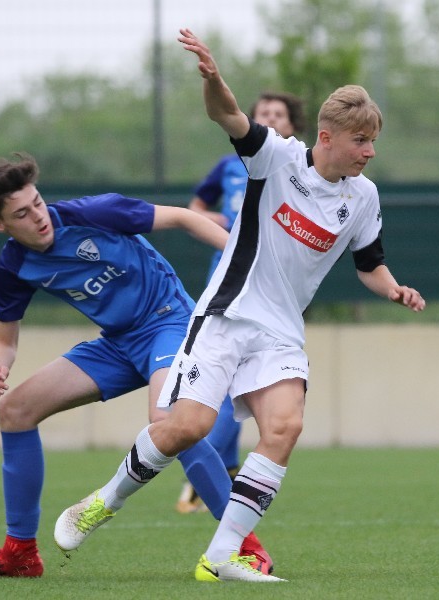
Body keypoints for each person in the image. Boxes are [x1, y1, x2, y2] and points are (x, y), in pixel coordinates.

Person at [53, 28, 426, 583]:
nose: (370, 151)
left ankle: (222, 555)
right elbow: (228, 116)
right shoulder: (275, 159)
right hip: (226, 318)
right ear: (326, 137)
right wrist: (213, 79)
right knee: (187, 427)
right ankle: (102, 502)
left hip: (279, 334)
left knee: (285, 427)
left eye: (373, 140)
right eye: (361, 141)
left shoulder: (363, 196)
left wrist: (394, 287)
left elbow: (369, 265)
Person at [0, 152, 273, 579]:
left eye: (38, 203)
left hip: (169, 321)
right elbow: (4, 338)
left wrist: (243, 255)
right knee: (14, 411)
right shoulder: (14, 265)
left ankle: (244, 546)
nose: (38, 217)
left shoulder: (94, 212)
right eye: (22, 214)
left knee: (169, 420)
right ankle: (20, 555)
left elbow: (182, 217)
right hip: (117, 344)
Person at [176, 90, 307, 514]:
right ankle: (212, 472)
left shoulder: (299, 170)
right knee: (223, 384)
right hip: (227, 285)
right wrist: (214, 219)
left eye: (278, 114)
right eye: (262, 113)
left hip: (271, 292)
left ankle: (217, 472)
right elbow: (196, 204)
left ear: (293, 125)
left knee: (248, 387)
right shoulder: (231, 166)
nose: (269, 119)